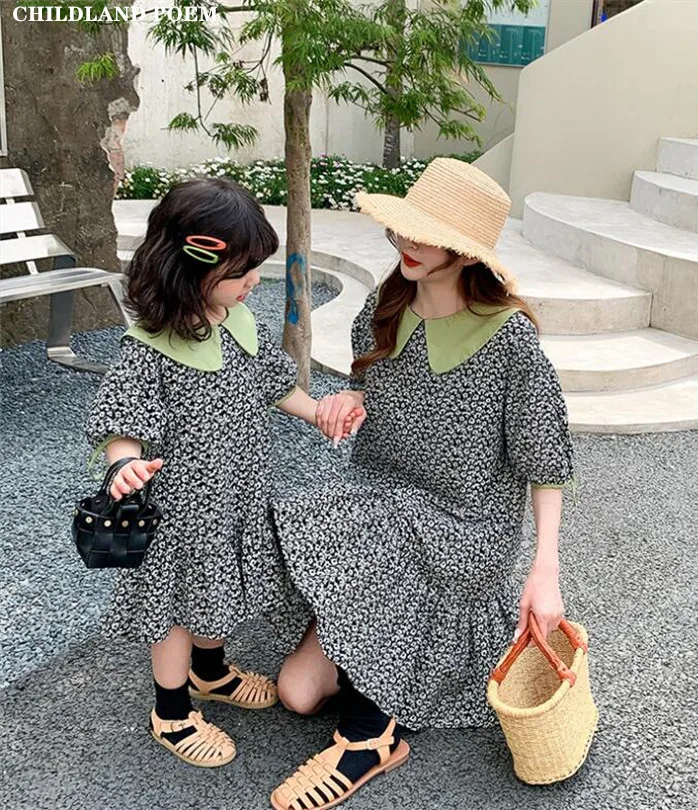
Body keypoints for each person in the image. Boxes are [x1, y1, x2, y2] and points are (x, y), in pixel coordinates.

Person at [267, 158, 575, 809]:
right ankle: (373, 648)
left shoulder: (511, 343)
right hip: (383, 502)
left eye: (426, 235)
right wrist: (354, 398)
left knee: (386, 527)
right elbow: (368, 380)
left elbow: (546, 459)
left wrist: (543, 569)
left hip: (467, 526)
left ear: (465, 255)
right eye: (405, 228)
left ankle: (371, 738)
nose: (407, 244)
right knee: (297, 693)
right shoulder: (387, 306)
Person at [85, 178, 360, 768]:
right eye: (242, 273)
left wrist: (317, 413)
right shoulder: (151, 347)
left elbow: (271, 383)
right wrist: (124, 466)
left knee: (218, 589)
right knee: (178, 607)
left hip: (233, 497)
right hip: (181, 515)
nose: (253, 282)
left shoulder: (234, 320)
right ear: (191, 269)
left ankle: (210, 673)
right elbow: (121, 418)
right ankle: (172, 710)